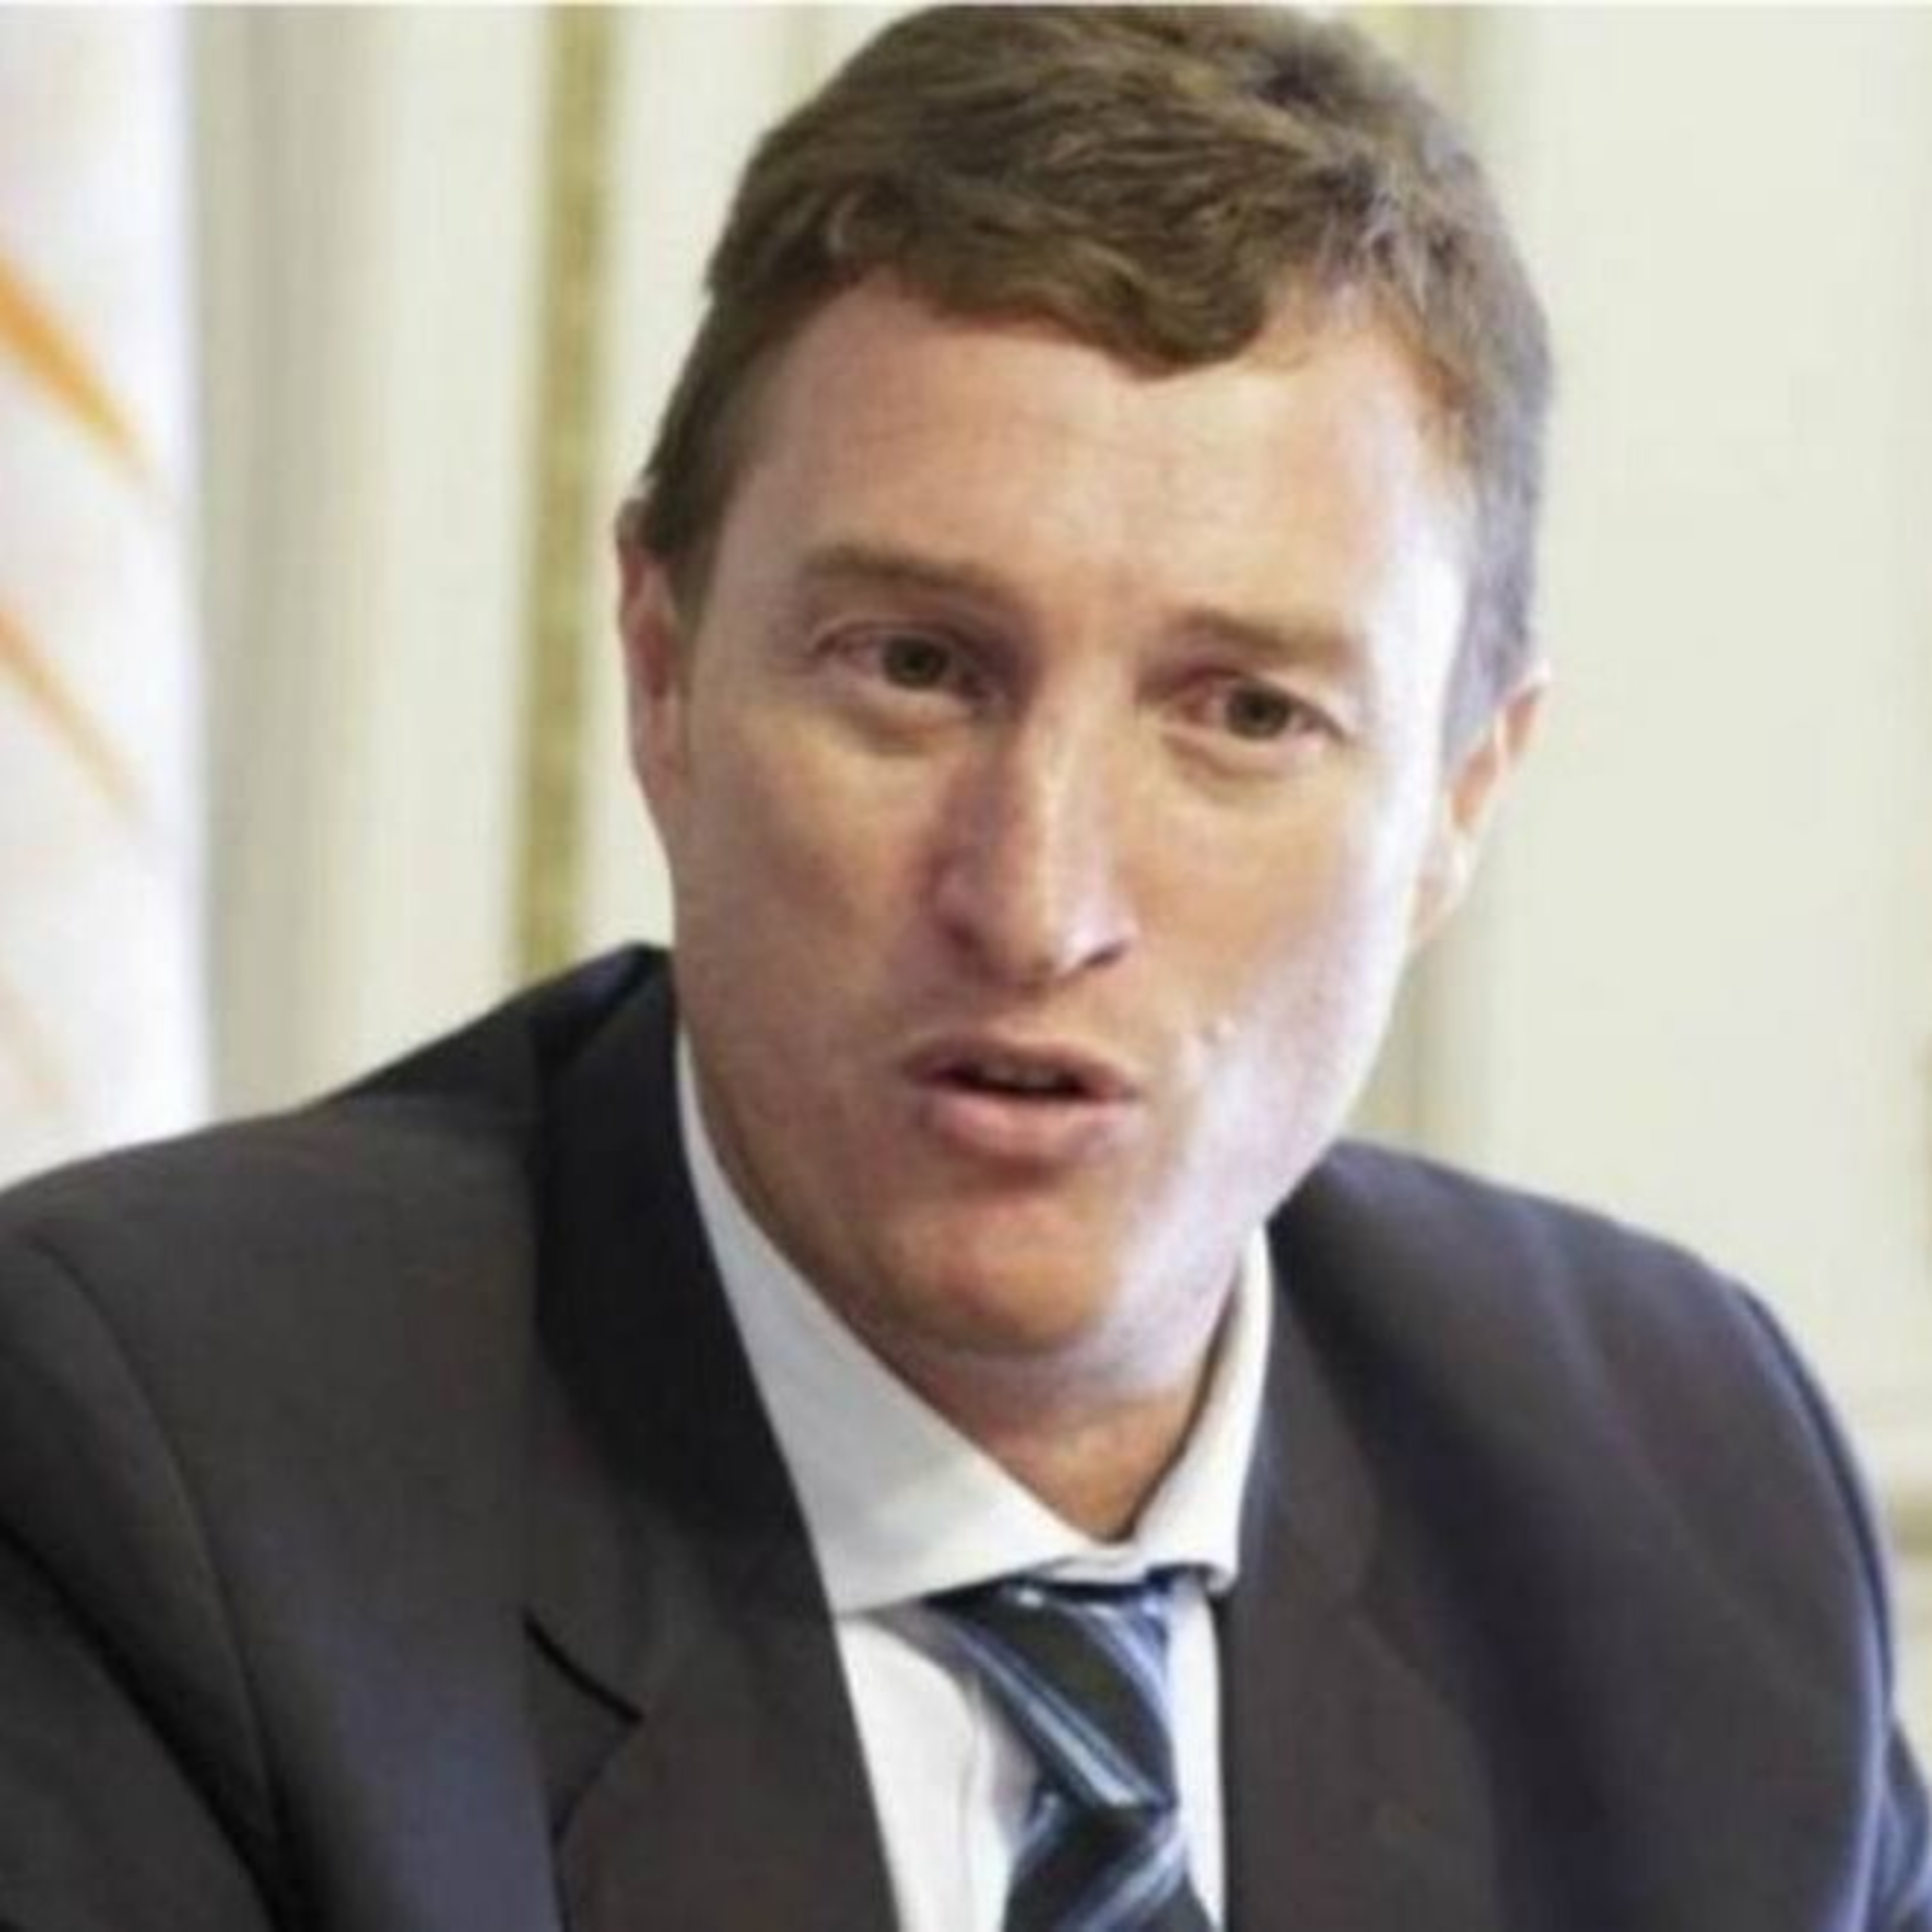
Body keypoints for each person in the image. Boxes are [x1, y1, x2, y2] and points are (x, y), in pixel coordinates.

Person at [1, 7, 1926, 1928]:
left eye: (1244, 713)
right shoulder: (161, 1463)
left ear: (1459, 796)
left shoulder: (1685, 1500)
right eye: (916, 669)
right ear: (664, 676)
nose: (1035, 901)